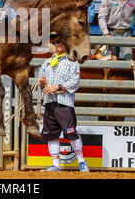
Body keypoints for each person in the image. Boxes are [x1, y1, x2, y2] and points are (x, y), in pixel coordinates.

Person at [38, 32, 90, 172]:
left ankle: (81, 161)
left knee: (71, 132)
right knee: (51, 134)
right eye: (56, 42)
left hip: (64, 102)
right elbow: (41, 83)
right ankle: (56, 164)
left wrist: (59, 86)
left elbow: (75, 81)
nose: (59, 44)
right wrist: (43, 83)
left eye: (61, 41)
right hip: (50, 102)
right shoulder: (46, 63)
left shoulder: (72, 62)